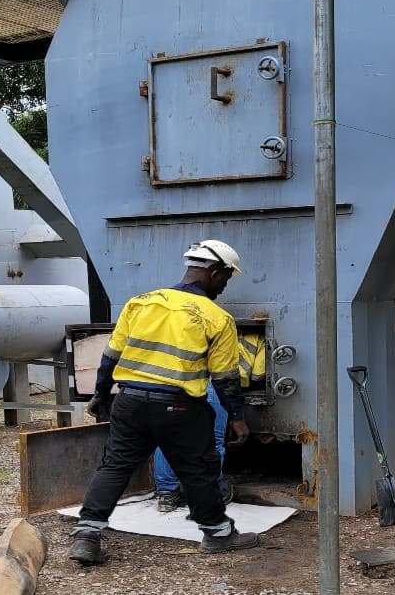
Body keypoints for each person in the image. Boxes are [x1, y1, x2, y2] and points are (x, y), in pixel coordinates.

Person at [69, 240, 260, 563]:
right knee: (199, 469)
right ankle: (217, 534)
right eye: (225, 279)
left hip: (129, 402)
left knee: (114, 467)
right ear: (214, 272)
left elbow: (109, 357)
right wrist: (237, 417)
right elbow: (224, 378)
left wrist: (101, 396)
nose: (224, 288)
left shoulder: (140, 303)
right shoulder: (217, 317)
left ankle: (87, 536)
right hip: (180, 408)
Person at [154, 332, 266, 512]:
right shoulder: (252, 337)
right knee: (211, 439)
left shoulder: (184, 330)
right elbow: (259, 373)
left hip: (178, 380)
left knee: (169, 438)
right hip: (216, 384)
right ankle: (210, 493)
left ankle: (167, 494)